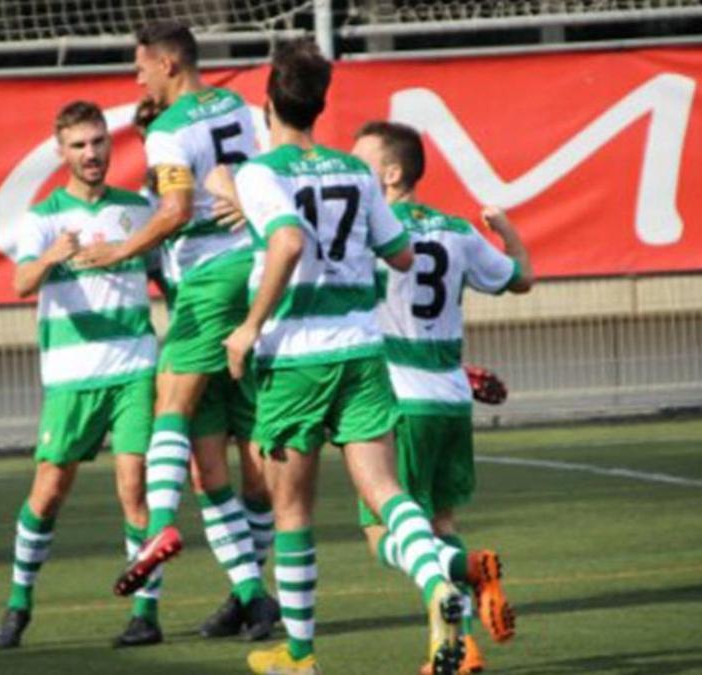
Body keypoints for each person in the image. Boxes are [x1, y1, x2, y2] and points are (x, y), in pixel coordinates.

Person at [223, 40, 464, 675]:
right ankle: (440, 582)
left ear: (268, 101)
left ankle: (301, 657)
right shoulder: (356, 171)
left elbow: (287, 242)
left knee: (293, 510)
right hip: (362, 351)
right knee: (387, 491)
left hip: (296, 358)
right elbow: (404, 256)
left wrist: (249, 327)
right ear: (321, 106)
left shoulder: (260, 171)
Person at [75, 21, 278, 640]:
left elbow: (172, 211)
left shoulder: (169, 130)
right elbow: (268, 174)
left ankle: (160, 524)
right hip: (254, 270)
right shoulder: (242, 107)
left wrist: (118, 253)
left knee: (171, 401)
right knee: (212, 464)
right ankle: (252, 595)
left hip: (214, 276)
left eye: (140, 67)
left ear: (167, 62)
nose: (137, 77)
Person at [351, 120, 533, 673]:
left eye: (362, 162)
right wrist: (504, 227)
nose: (353, 171)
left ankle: (473, 569)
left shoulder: (370, 233)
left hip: (397, 400)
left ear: (391, 173)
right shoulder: (457, 231)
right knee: (441, 525)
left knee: (383, 531)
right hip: (452, 397)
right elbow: (522, 277)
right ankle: (460, 648)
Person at [0, 100, 163, 650]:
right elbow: (20, 283)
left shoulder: (138, 210)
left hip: (134, 368)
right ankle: (19, 604)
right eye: (79, 145)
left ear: (111, 145)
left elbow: (167, 276)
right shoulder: (45, 219)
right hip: (70, 376)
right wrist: (51, 258)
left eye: (98, 142)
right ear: (61, 152)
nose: (91, 154)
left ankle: (145, 613)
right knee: (48, 493)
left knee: (136, 488)